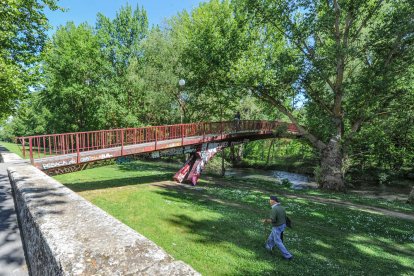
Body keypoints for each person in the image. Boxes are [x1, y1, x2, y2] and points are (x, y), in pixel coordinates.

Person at [263, 195, 293, 260]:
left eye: (270, 200)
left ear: (273, 201)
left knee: (277, 241)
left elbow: (273, 220)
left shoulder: (274, 209)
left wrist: (265, 220)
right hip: (283, 225)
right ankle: (268, 247)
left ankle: (288, 256)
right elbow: (285, 217)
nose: (269, 201)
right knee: (271, 237)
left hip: (277, 226)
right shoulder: (282, 207)